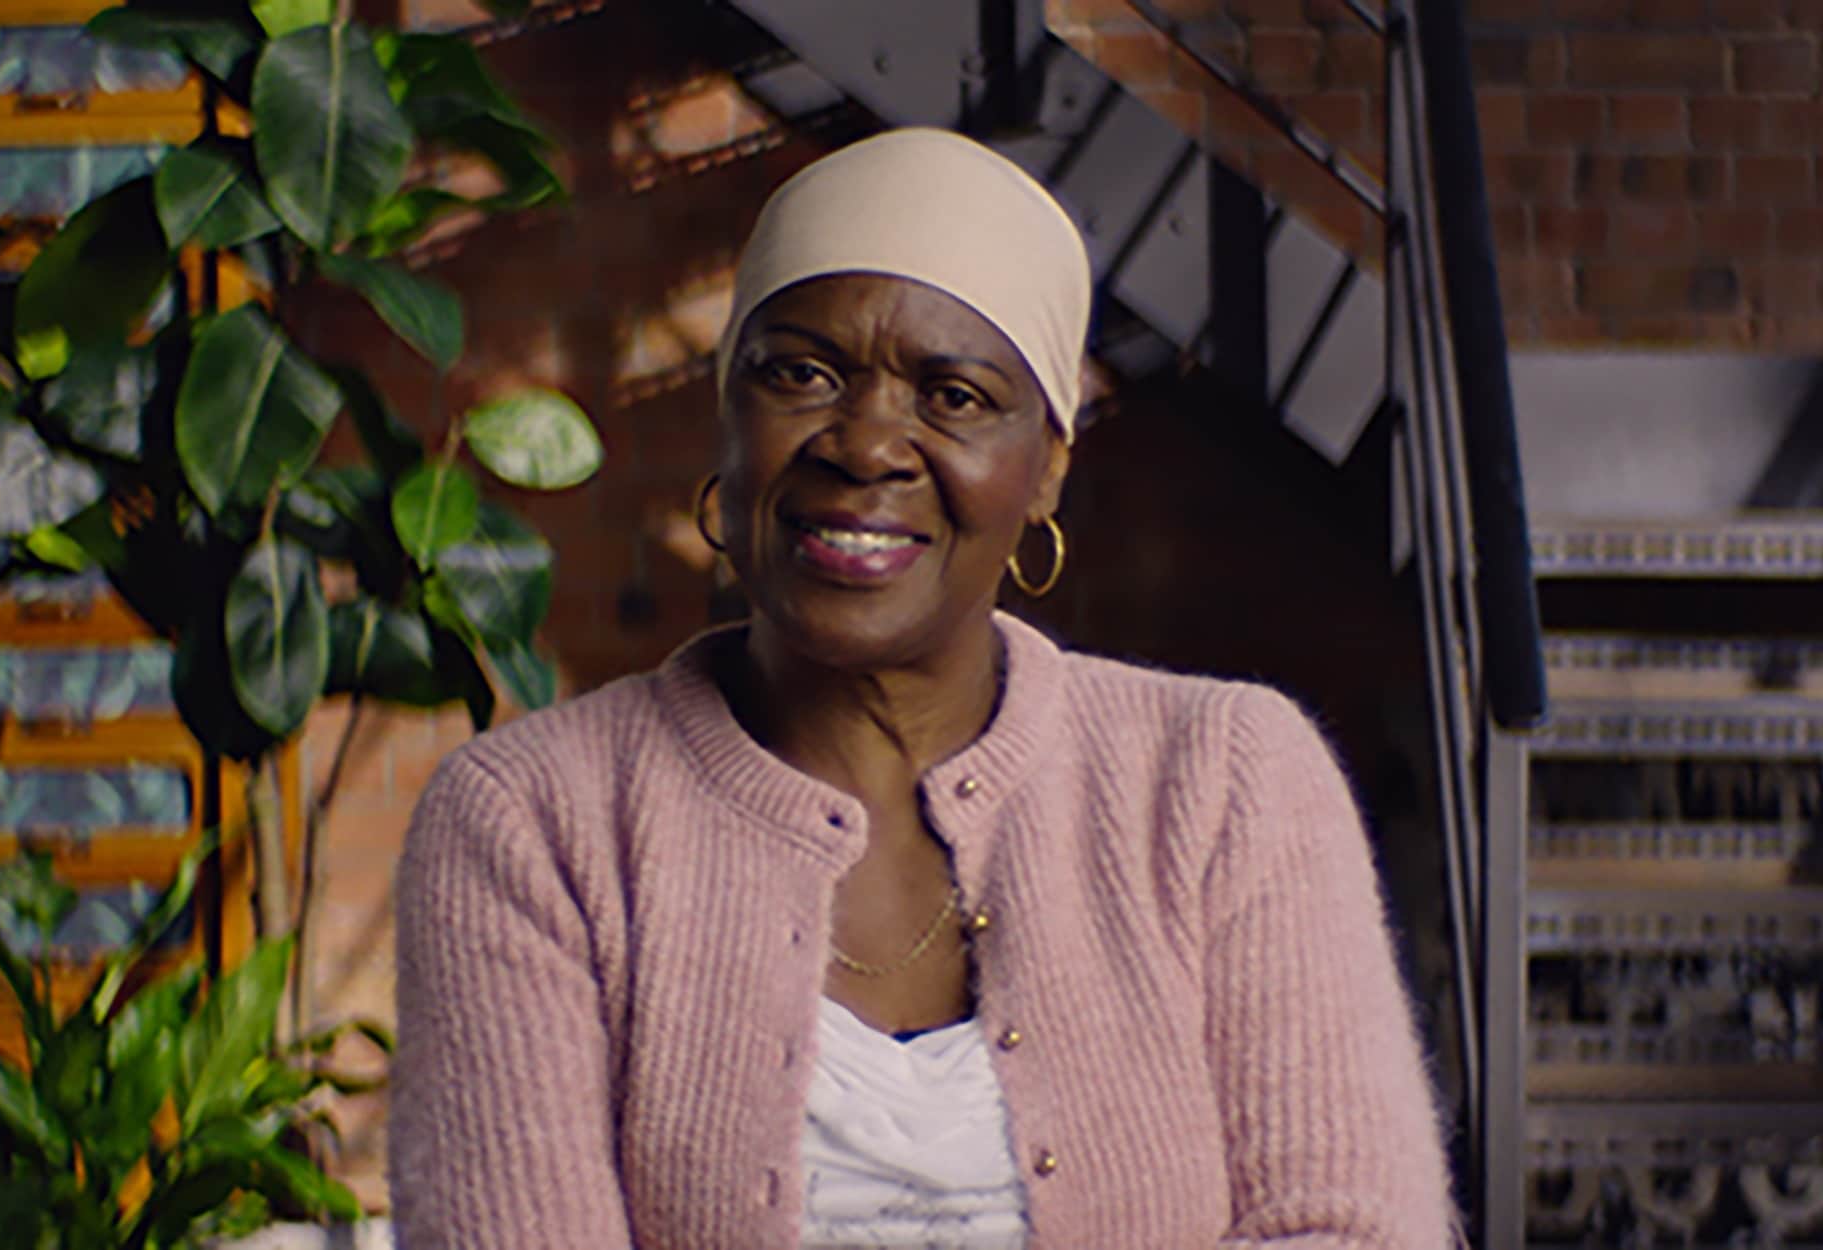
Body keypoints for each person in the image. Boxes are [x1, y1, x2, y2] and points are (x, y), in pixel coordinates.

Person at [389, 127, 1453, 1248]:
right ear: (728, 416)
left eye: (952, 394)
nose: (865, 445)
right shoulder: (531, 818)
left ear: (1046, 462)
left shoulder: (1225, 780)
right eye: (801, 372)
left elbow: (1351, 1225)